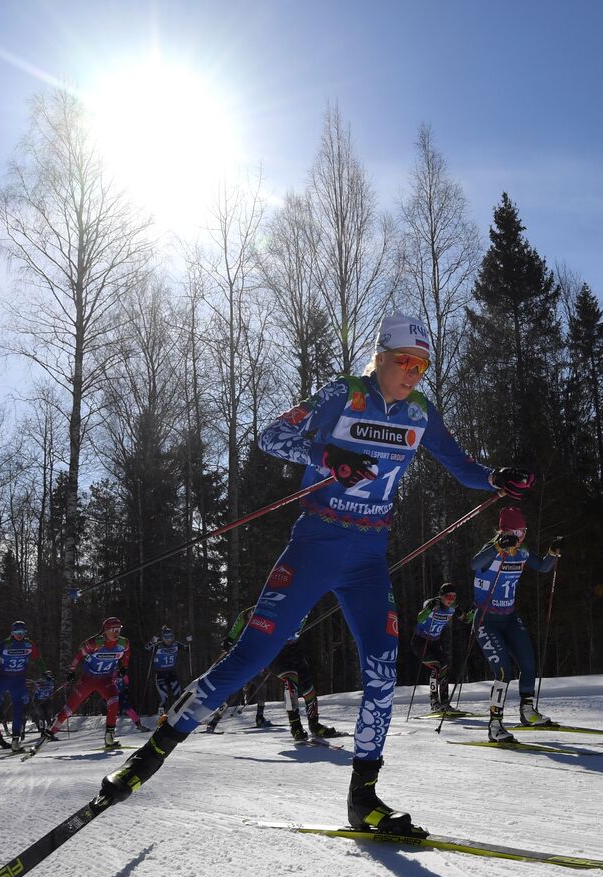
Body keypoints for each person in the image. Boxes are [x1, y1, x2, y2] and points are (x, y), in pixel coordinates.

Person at [101, 313, 533, 837]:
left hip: (368, 556)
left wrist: (495, 478)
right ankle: (147, 758)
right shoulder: (344, 394)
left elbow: (459, 464)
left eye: (422, 365)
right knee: (251, 657)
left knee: (381, 670)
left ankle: (364, 799)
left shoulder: (421, 412)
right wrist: (328, 454)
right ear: (381, 357)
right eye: (405, 361)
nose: (414, 373)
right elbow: (272, 437)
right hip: (316, 541)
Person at [470, 507, 563, 743]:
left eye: (523, 531)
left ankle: (527, 712)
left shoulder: (521, 553)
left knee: (529, 663)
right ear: (503, 531)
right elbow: (474, 564)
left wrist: (552, 553)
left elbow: (541, 566)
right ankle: (495, 724)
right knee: (503, 671)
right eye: (515, 531)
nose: (520, 536)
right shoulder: (491, 551)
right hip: (486, 619)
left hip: (509, 617)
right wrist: (498, 546)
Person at [43, 617, 131, 750]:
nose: (116, 632)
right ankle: (50, 732)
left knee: (114, 701)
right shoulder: (96, 643)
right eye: (113, 629)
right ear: (106, 630)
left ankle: (109, 737)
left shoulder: (123, 643)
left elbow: (127, 654)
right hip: (88, 680)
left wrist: (124, 667)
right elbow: (79, 655)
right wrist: (72, 670)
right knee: (69, 709)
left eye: (119, 629)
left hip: (106, 680)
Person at [0, 620, 44, 749]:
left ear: (25, 633)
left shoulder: (29, 644)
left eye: (22, 632)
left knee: (18, 709)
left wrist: (44, 673)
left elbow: (38, 659)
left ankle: (15, 739)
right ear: (12, 633)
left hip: (19, 680)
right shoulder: (5, 644)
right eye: (16, 632)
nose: (19, 635)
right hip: (4, 678)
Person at [411, 581, 471, 714]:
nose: (451, 600)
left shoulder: (453, 607)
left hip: (434, 643)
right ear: (442, 596)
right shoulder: (433, 603)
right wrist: (428, 609)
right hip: (421, 642)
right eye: (448, 597)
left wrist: (474, 613)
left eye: (454, 597)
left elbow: (465, 619)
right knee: (436, 666)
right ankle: (434, 702)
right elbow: (420, 619)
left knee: (444, 667)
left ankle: (445, 703)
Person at [272, 628, 340, 742]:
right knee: (290, 683)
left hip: (294, 652)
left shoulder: (299, 611)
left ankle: (314, 725)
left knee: (308, 687)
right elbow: (244, 619)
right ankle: (295, 727)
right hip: (275, 655)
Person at [147, 627, 188, 727]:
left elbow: (187, 648)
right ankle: (161, 722)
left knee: (178, 696)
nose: (168, 640)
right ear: (162, 637)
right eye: (166, 637)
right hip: (160, 674)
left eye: (170, 637)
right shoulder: (158, 645)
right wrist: (152, 642)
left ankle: (179, 718)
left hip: (172, 674)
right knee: (163, 698)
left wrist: (189, 642)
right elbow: (146, 649)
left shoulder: (176, 644)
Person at [29, 671, 58, 738]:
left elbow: (52, 689)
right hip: (38, 701)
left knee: (48, 717)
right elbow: (35, 688)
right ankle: (42, 732)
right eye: (48, 675)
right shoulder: (40, 681)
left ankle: (50, 733)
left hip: (47, 701)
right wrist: (38, 685)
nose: (50, 677)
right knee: (41, 717)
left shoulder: (51, 682)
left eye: (51, 675)